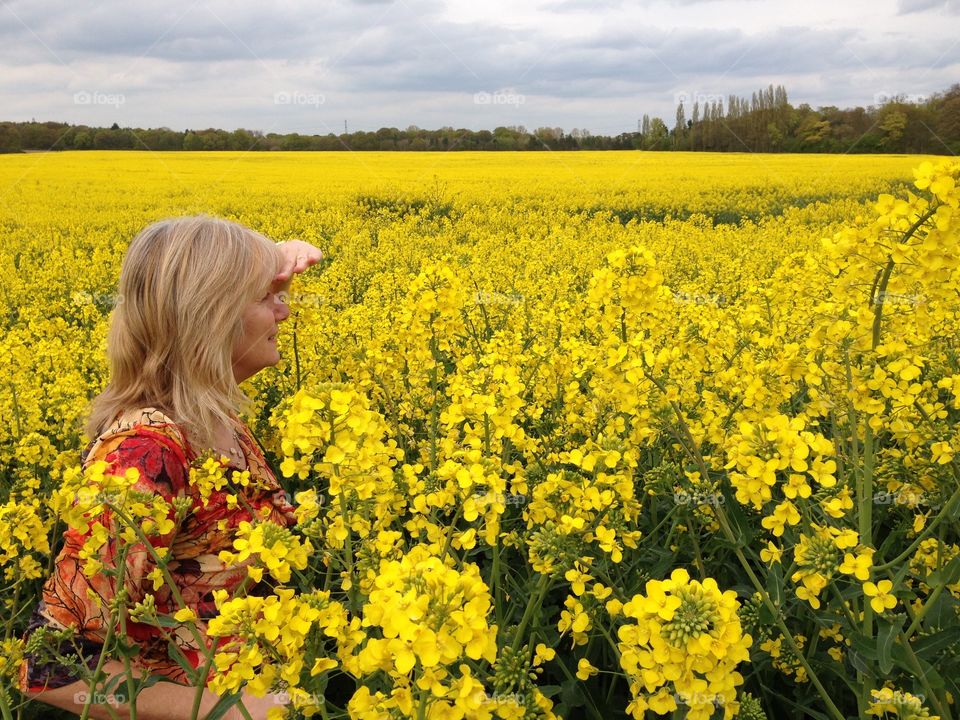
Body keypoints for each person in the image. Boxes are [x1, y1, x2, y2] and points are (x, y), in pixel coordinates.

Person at [18, 216, 324, 720]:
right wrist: (229, 709)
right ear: (213, 315)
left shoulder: (215, 420)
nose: (285, 312)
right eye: (266, 299)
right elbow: (50, 668)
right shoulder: (143, 454)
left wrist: (269, 266)